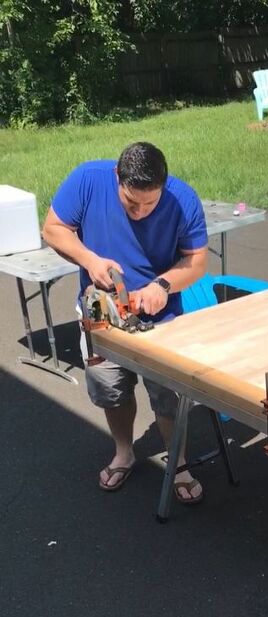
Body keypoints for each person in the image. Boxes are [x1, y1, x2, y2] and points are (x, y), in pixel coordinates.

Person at [43, 141, 208, 502]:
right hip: (100, 315)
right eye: (131, 203)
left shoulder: (183, 199)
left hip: (160, 317)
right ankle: (124, 451)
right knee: (111, 390)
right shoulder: (87, 179)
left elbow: (196, 261)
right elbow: (53, 228)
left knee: (168, 394)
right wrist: (89, 260)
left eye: (150, 204)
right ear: (118, 177)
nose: (140, 212)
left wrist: (163, 285)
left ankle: (178, 462)